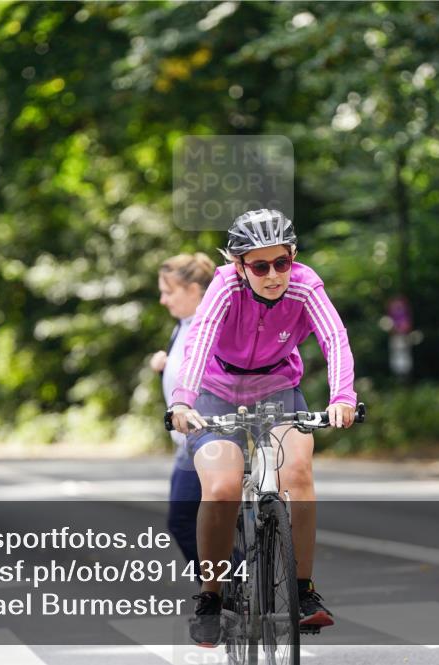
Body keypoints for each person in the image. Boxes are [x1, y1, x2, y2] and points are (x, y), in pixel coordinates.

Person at [168, 209, 357, 646]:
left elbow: (334, 338)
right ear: (239, 266)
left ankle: (303, 592)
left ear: (293, 257)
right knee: (222, 487)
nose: (273, 275)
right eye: (259, 266)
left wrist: (342, 397)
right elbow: (199, 340)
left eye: (281, 262)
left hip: (278, 387)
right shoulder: (224, 286)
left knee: (298, 472)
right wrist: (183, 400)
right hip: (216, 391)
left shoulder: (306, 285)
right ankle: (211, 597)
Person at [150, 253, 216, 572]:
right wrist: (164, 368)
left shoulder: (208, 324)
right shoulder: (183, 325)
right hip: (189, 440)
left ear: (193, 290)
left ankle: (235, 584)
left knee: (183, 521)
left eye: (169, 292)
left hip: (204, 437)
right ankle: (233, 587)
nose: (163, 300)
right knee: (195, 522)